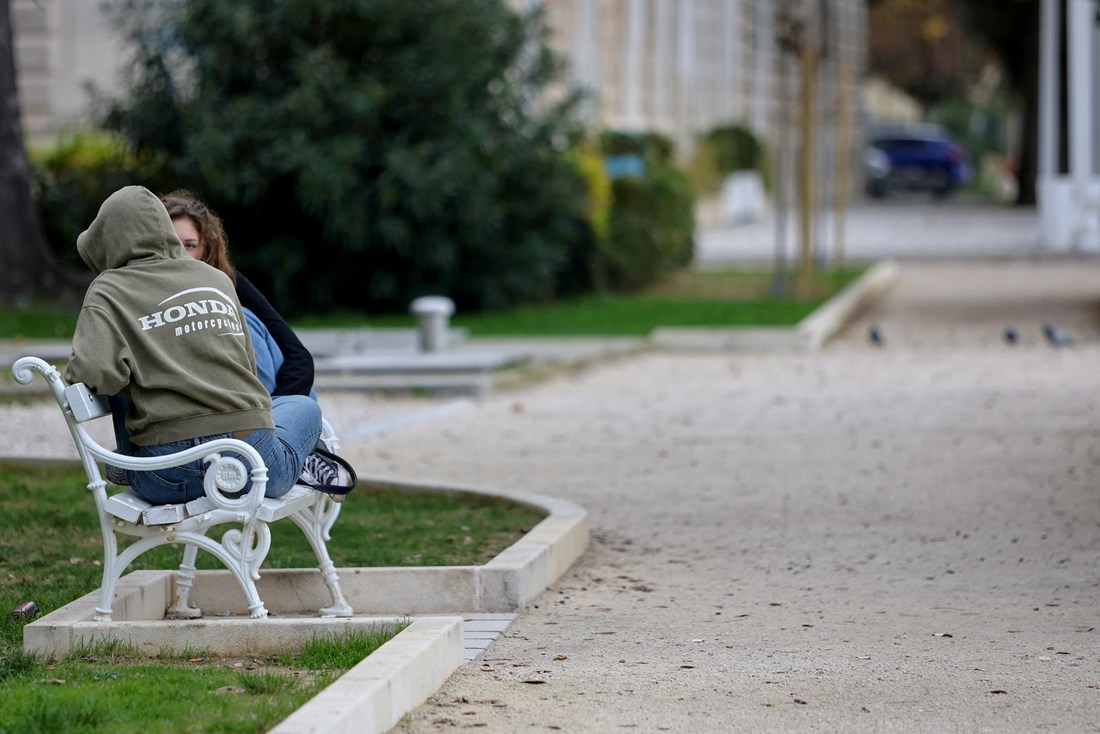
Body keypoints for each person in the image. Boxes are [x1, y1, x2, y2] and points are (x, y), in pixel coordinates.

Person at [63, 185, 324, 504]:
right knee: (305, 407)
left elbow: (93, 373)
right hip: (254, 463)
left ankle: (127, 465)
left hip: (167, 474)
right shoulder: (216, 279)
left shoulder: (108, 291)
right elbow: (247, 367)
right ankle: (295, 458)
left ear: (107, 238)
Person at [160, 190, 315, 399]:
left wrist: (279, 408)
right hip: (221, 407)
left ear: (204, 248)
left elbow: (298, 355)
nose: (179, 255)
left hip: (276, 399)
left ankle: (269, 425)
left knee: (242, 315)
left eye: (189, 245)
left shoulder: (228, 281)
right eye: (172, 243)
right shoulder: (146, 293)